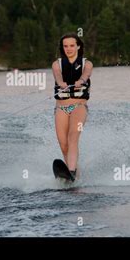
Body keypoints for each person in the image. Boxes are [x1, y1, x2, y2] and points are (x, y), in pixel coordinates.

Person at [52, 33, 93, 181]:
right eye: (65, 46)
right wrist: (61, 83)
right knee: (64, 145)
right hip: (61, 108)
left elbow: (86, 74)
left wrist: (81, 80)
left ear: (78, 46)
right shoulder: (57, 64)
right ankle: (74, 173)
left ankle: (71, 171)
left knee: (72, 137)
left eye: (71, 45)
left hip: (79, 106)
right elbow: (57, 75)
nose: (68, 48)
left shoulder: (86, 63)